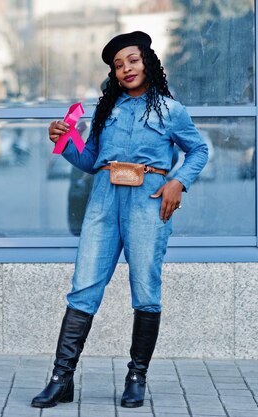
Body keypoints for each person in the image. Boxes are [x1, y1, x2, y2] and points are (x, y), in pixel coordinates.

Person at [31, 31, 208, 409]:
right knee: (83, 287)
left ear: (147, 61)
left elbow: (199, 149)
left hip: (149, 201)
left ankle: (136, 378)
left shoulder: (170, 110)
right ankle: (61, 379)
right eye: (118, 65)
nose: (126, 68)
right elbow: (89, 161)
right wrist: (63, 141)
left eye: (132, 59)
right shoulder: (104, 110)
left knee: (145, 291)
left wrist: (178, 181)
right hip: (104, 202)